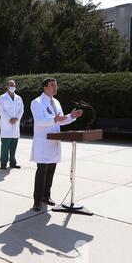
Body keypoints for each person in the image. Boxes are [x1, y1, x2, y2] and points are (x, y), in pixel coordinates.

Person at [30, 78, 84, 211]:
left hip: (54, 142)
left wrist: (72, 116)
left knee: (51, 171)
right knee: (42, 170)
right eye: (52, 85)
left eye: (56, 85)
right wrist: (55, 119)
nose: (55, 87)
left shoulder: (56, 102)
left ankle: (46, 196)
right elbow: (40, 120)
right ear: (45, 87)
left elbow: (60, 121)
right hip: (43, 142)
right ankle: (37, 200)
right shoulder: (37, 102)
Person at [0, 79, 24, 170]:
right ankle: (3, 163)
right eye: (11, 85)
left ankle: (13, 162)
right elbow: (1, 110)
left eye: (14, 85)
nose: (13, 87)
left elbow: (22, 110)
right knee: (5, 146)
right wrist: (9, 119)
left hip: (16, 124)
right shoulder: (2, 97)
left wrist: (17, 118)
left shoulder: (19, 98)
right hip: (6, 124)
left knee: (14, 146)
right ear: (7, 86)